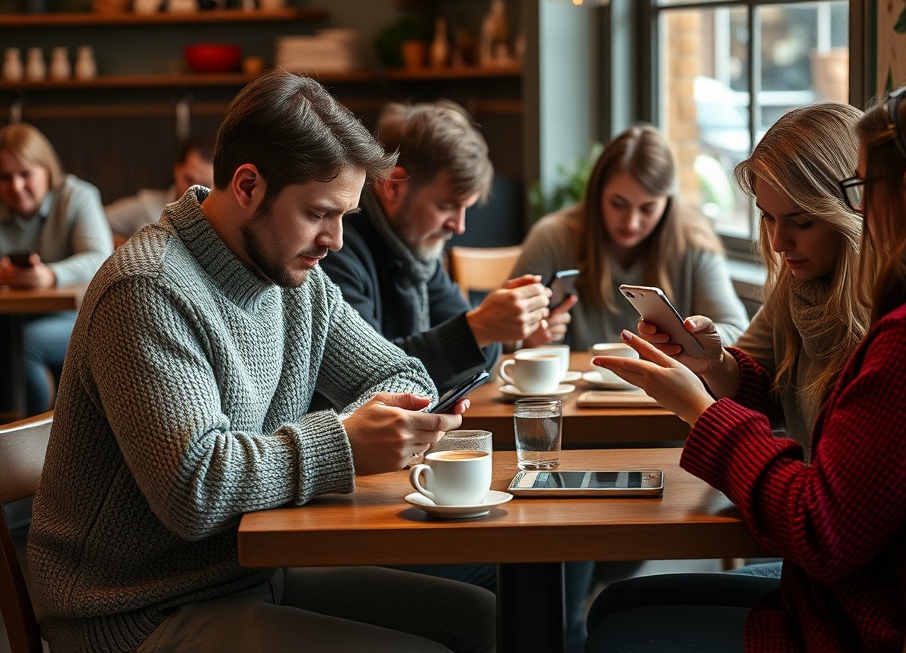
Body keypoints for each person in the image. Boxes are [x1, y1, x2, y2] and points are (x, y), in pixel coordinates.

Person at [27, 71, 495, 653]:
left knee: (484, 618)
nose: (338, 240)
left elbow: (400, 374)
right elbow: (194, 489)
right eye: (322, 212)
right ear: (248, 185)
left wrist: (391, 419)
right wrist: (344, 443)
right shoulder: (148, 289)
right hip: (134, 610)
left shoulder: (296, 277)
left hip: (250, 571)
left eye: (346, 215)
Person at [587, 78, 906, 652]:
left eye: (863, 186)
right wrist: (714, 371)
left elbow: (817, 529)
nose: (859, 204)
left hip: (884, 624)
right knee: (620, 605)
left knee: (620, 630)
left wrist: (702, 412)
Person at [668, 103, 867, 458]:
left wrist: (698, 409)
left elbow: (826, 507)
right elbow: (761, 392)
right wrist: (713, 362)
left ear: (854, 210)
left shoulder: (893, 317)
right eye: (768, 218)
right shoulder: (798, 286)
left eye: (802, 222)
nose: (778, 243)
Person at [321, 100, 555, 394]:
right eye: (447, 207)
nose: (459, 227)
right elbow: (370, 375)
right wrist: (479, 328)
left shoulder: (417, 252)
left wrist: (494, 326)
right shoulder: (335, 249)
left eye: (466, 209)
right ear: (394, 186)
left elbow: (477, 358)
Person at [511, 123, 749, 351]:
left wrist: (692, 338)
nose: (631, 222)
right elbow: (501, 332)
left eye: (647, 209)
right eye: (618, 204)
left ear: (667, 204)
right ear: (597, 194)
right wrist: (524, 339)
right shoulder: (553, 237)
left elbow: (737, 332)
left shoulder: (694, 241)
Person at [0, 122, 113, 414]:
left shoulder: (77, 196)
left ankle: (34, 440)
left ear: (47, 170)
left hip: (78, 317)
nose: (16, 186)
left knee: (24, 347)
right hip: (10, 318)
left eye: (25, 174)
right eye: (5, 177)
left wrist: (50, 275)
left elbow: (100, 258)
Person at [105, 135, 215, 242]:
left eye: (203, 185)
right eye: (189, 179)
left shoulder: (219, 223)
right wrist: (127, 247)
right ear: (177, 170)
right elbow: (92, 221)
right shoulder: (147, 206)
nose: (193, 190)